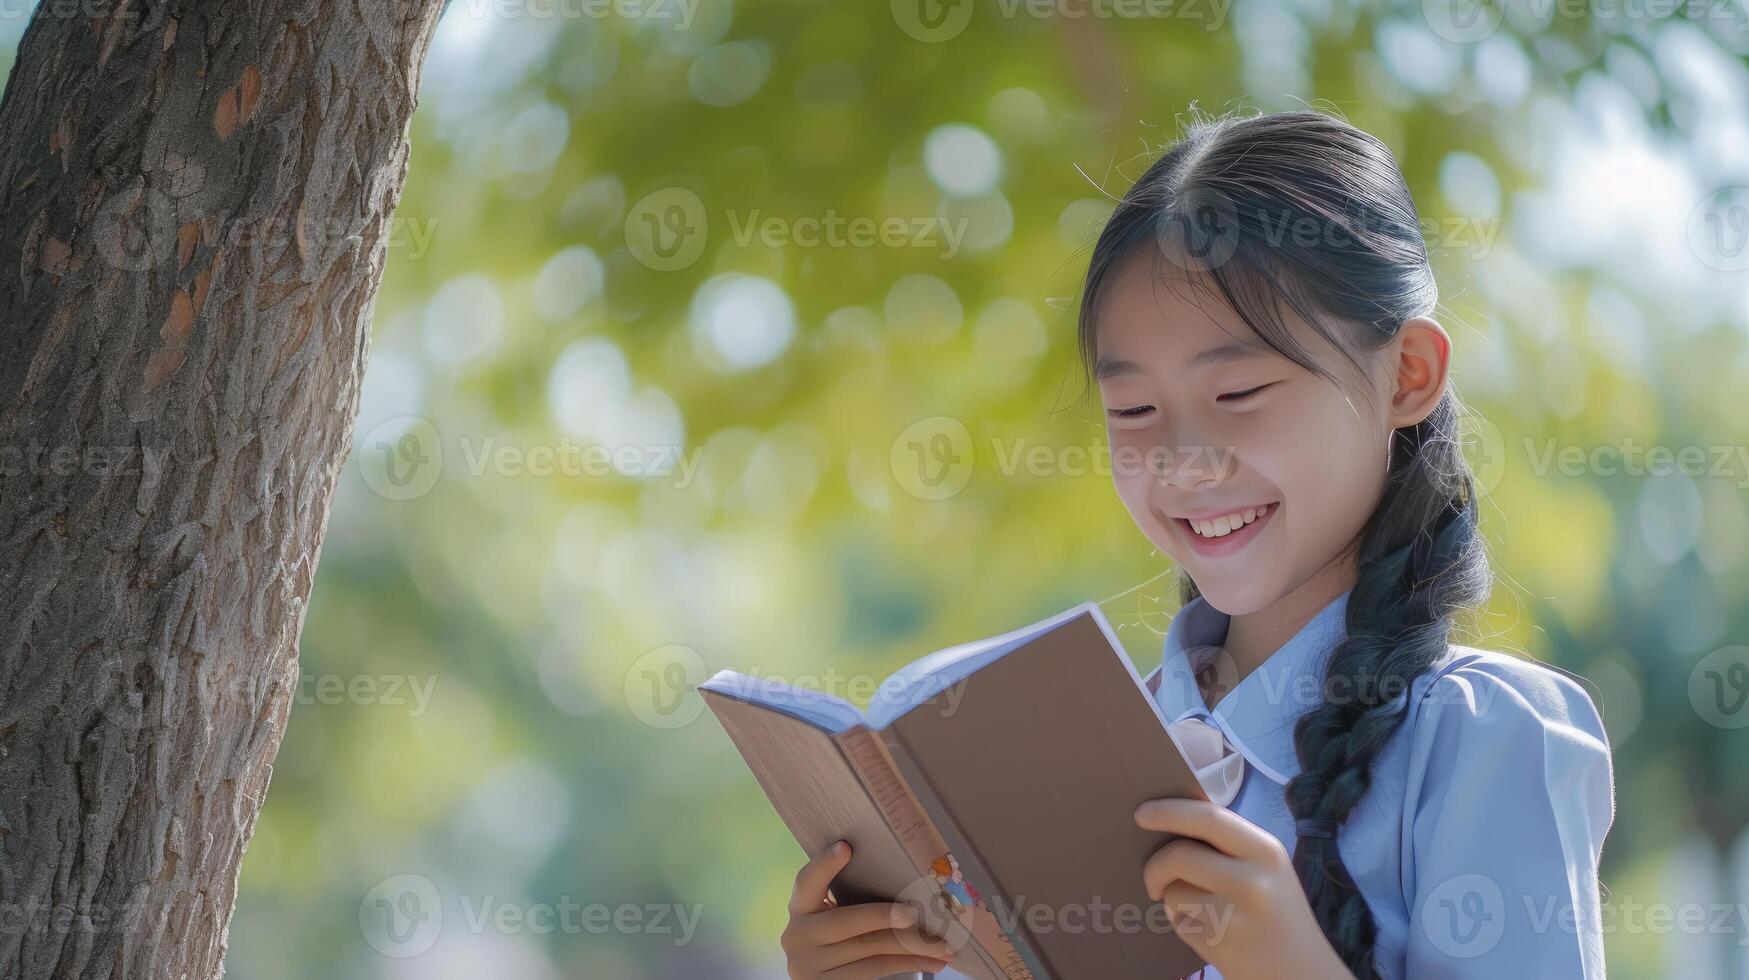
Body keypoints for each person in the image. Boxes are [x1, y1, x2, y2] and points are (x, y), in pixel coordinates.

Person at [778, 107, 1615, 980]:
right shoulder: (1058, 751)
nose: (1182, 462)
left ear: (1406, 373)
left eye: (1240, 390)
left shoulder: (1482, 737)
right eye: (1133, 411)